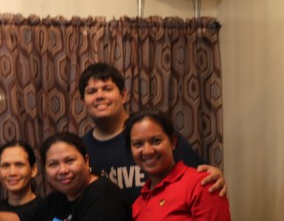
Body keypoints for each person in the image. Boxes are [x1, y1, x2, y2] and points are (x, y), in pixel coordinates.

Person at [78, 62, 226, 202]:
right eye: (91, 91)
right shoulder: (80, 150)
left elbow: (203, 176)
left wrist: (216, 175)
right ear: (83, 100)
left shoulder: (156, 134)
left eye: (107, 89)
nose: (99, 96)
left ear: (123, 95)